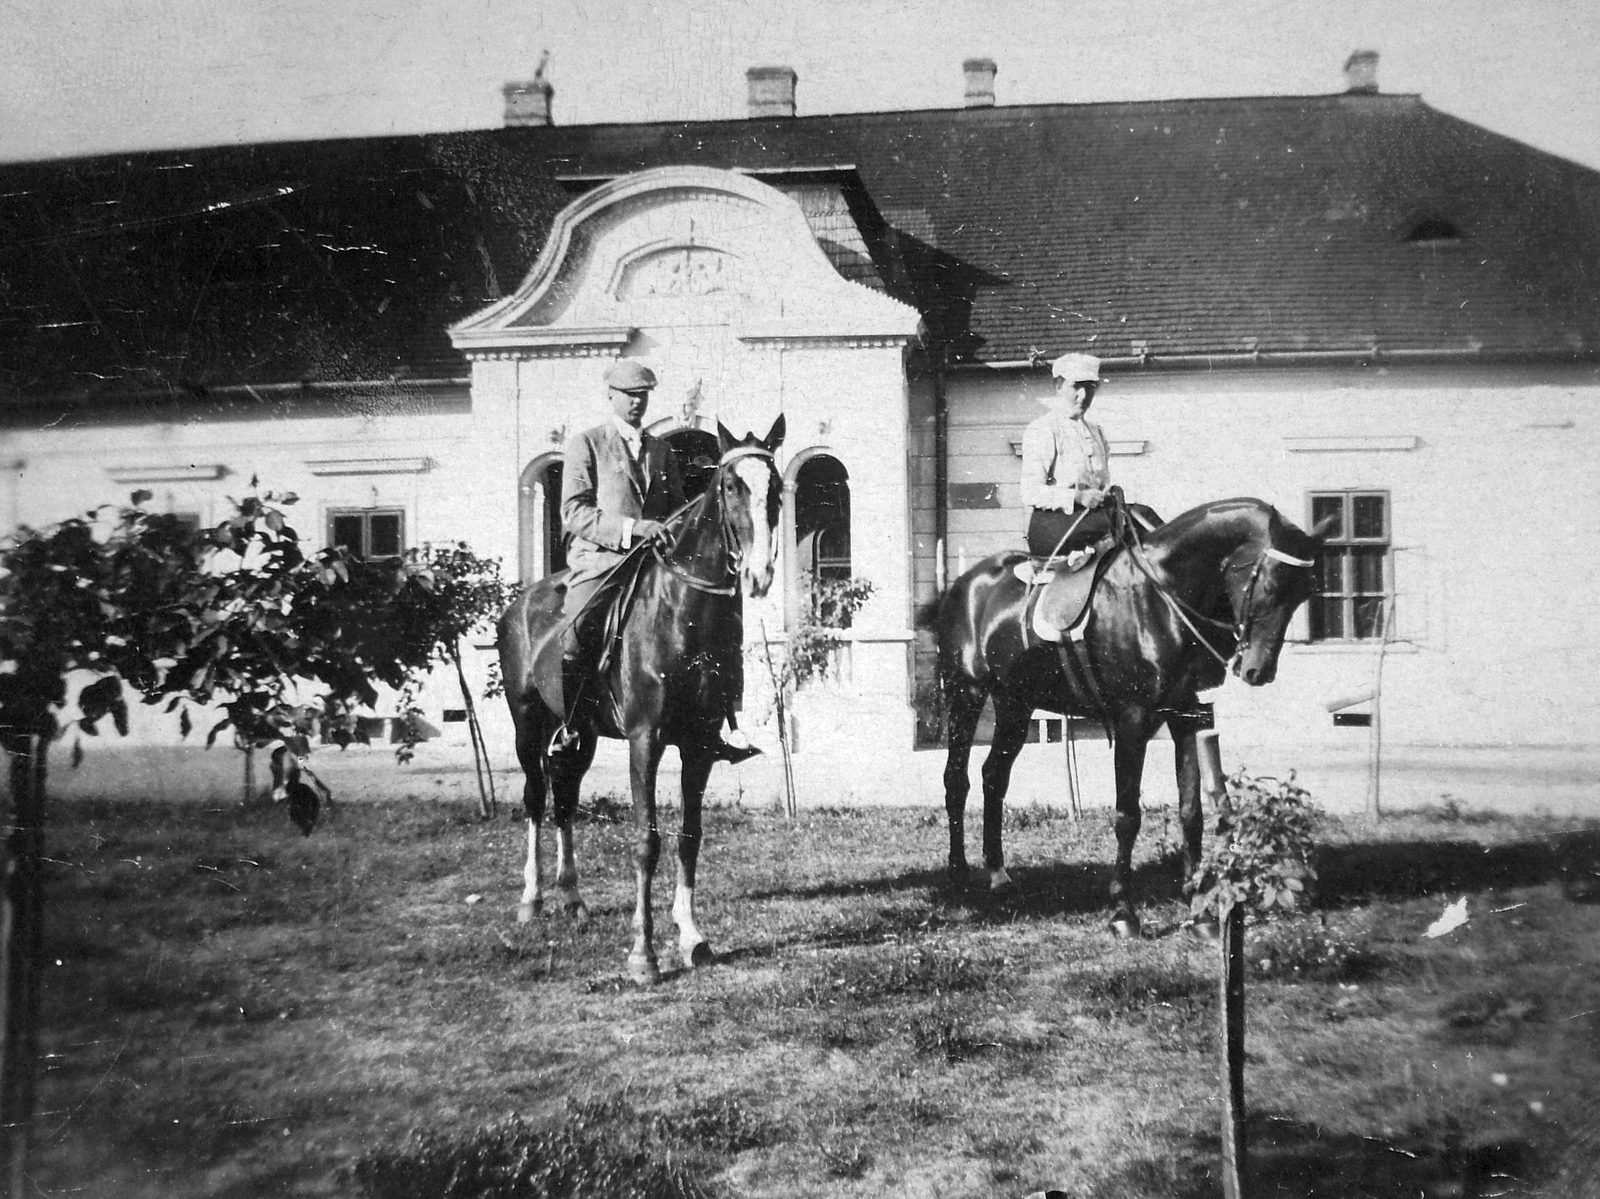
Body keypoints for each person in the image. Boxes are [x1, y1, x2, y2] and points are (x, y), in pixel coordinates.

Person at [559, 358, 758, 763]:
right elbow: (574, 512)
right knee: (577, 630)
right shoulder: (588, 443)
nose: (636, 402)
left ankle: (724, 725)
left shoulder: (661, 450)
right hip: (601, 562)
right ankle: (571, 725)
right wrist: (633, 528)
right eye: (629, 395)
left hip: (655, 563)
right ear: (610, 395)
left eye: (643, 395)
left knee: (717, 622)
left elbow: (675, 510)